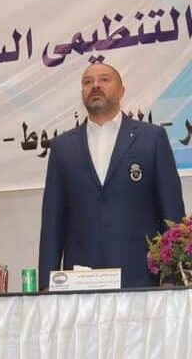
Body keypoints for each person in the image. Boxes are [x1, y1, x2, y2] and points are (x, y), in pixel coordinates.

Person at [38, 61, 186, 289]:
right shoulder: (62, 146)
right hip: (79, 281)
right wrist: (46, 283)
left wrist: (173, 276)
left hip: (142, 278)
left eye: (104, 80)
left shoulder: (151, 138)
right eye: (88, 82)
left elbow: (171, 211)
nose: (95, 85)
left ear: (121, 91)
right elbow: (52, 221)